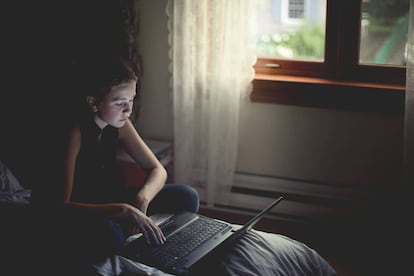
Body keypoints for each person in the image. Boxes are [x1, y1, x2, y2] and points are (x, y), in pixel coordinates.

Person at [60, 58, 199, 271]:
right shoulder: (75, 133)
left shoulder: (120, 125)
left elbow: (157, 169)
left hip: (114, 198)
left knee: (188, 196)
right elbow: (61, 206)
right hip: (87, 210)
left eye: (131, 100)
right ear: (93, 102)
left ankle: (153, 240)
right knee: (110, 237)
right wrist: (124, 210)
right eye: (119, 103)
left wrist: (142, 199)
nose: (128, 110)